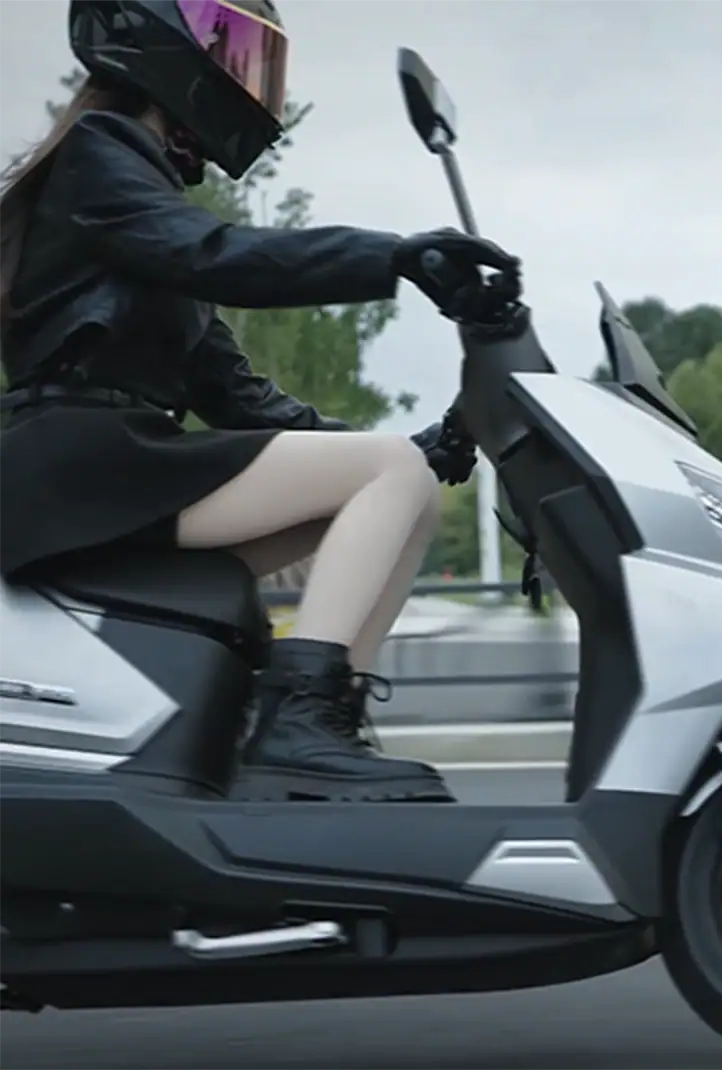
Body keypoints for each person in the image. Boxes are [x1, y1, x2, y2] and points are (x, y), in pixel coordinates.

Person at [0, 0, 522, 804]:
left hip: (115, 467)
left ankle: (323, 729)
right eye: (230, 45)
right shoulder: (98, 153)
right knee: (387, 475)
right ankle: (297, 729)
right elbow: (215, 255)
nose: (246, 74)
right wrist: (394, 258)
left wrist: (416, 449)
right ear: (160, 41)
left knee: (404, 488)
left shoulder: (141, 210)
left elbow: (236, 394)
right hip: (79, 466)